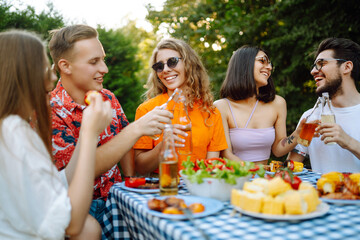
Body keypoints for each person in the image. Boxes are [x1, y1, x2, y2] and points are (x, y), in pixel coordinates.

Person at [49, 25, 173, 225]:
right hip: (80, 212)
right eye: (93, 62)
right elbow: (79, 171)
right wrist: (137, 128)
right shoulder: (50, 111)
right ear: (65, 66)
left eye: (103, 59)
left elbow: (124, 140)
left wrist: (129, 181)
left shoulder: (108, 97)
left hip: (118, 200)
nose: (104, 69)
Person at [0, 30, 112, 239]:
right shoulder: (12, 134)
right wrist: (88, 134)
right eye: (43, 68)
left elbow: (59, 181)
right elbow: (71, 225)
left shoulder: (15, 128)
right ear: (20, 75)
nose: (52, 76)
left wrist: (89, 132)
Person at [133, 38, 228, 174]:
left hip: (198, 187)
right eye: (159, 66)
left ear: (189, 63)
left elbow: (211, 168)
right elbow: (140, 168)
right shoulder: (148, 110)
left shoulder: (210, 112)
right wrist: (164, 145)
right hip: (163, 188)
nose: (165, 70)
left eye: (172, 62)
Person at [214, 46, 303, 165]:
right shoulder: (221, 106)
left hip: (263, 178)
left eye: (270, 64)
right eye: (262, 61)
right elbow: (226, 154)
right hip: (236, 177)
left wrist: (298, 133)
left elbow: (278, 150)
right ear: (244, 64)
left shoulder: (278, 103)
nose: (269, 67)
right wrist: (255, 171)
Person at [288, 38, 360, 173]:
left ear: (347, 67)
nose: (313, 71)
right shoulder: (310, 117)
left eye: (322, 63)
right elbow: (291, 167)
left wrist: (349, 142)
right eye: (314, 66)